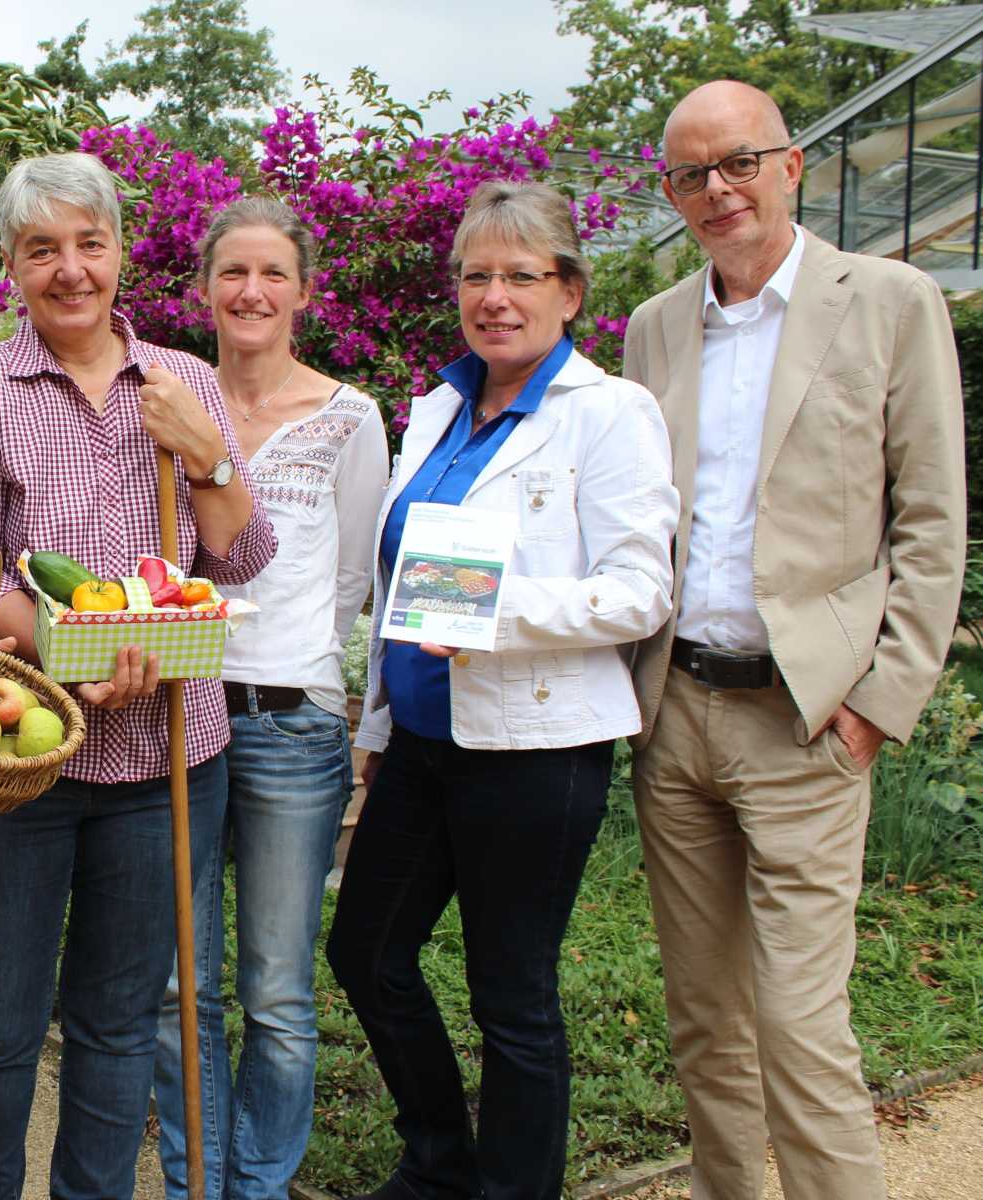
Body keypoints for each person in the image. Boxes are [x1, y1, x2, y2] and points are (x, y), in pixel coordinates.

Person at [622, 81, 964, 1200]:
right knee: (702, 1027)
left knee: (801, 1034)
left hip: (806, 720)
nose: (714, 191)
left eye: (737, 163)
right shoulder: (654, 326)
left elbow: (930, 519)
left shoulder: (888, 301)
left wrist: (878, 702)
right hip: (675, 716)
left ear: (790, 166)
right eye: (688, 174)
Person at [0, 151, 277, 1200]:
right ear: (10, 264)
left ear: (121, 252)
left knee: (119, 1024)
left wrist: (205, 454)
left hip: (168, 753)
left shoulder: (187, 381)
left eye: (89, 244)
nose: (69, 269)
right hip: (18, 755)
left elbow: (242, 559)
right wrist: (65, 648)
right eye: (42, 249)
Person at [331, 181, 679, 1200]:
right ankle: (438, 1158)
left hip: (535, 748)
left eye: (520, 275)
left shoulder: (608, 414)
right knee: (366, 951)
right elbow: (402, 580)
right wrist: (376, 721)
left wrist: (488, 614)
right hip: (421, 741)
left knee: (509, 995)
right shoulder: (438, 406)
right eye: (474, 276)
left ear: (567, 291)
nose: (493, 297)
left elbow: (638, 592)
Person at [151, 198, 387, 1200]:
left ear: (301, 290)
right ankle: (192, 1183)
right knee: (173, 989)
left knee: (278, 993)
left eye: (272, 274)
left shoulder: (347, 418)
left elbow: (349, 584)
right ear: (203, 287)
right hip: (175, 718)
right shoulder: (159, 397)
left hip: (291, 724)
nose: (250, 292)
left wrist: (317, 684)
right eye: (231, 272)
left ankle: (255, 1186)